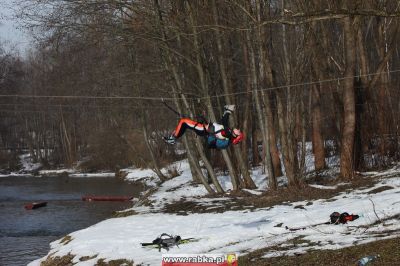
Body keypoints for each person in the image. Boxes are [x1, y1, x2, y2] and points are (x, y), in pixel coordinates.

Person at [164, 105, 244, 149]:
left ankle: (173, 138)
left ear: (235, 135)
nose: (239, 129)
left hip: (202, 129)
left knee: (183, 121)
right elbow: (224, 122)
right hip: (203, 129)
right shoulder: (227, 133)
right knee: (184, 125)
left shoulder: (227, 134)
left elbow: (225, 124)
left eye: (239, 132)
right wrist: (228, 111)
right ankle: (174, 137)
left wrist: (228, 111)